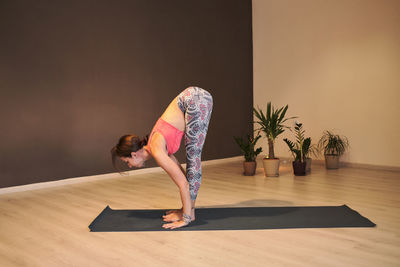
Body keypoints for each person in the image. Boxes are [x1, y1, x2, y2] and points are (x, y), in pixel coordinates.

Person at [111, 86, 213, 229]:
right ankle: (189, 211)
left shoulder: (157, 150)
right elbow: (183, 177)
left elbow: (183, 184)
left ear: (133, 154)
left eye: (127, 161)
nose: (129, 165)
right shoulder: (156, 147)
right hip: (193, 98)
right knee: (191, 163)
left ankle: (189, 215)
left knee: (193, 157)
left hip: (196, 99)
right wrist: (185, 208)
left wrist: (186, 218)